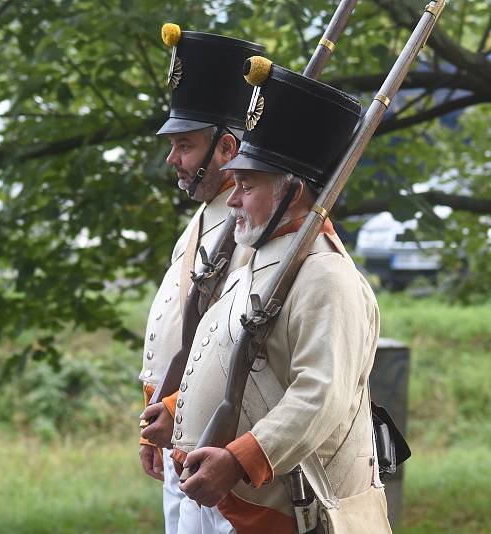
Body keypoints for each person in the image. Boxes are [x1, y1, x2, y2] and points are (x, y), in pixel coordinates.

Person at [169, 57, 391, 533]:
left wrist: (239, 459)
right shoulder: (256, 256)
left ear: (292, 192)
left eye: (247, 184)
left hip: (273, 509)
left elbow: (321, 395)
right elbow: (226, 356)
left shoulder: (326, 277)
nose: (232, 197)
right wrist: (177, 412)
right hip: (223, 500)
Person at [137, 24, 264, 534]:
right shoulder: (207, 216)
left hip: (216, 438)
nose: (173, 159)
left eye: (185, 146)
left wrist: (170, 408)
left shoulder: (251, 226)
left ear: (227, 148)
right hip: (178, 429)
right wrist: (155, 413)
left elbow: (233, 341)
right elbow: (182, 332)